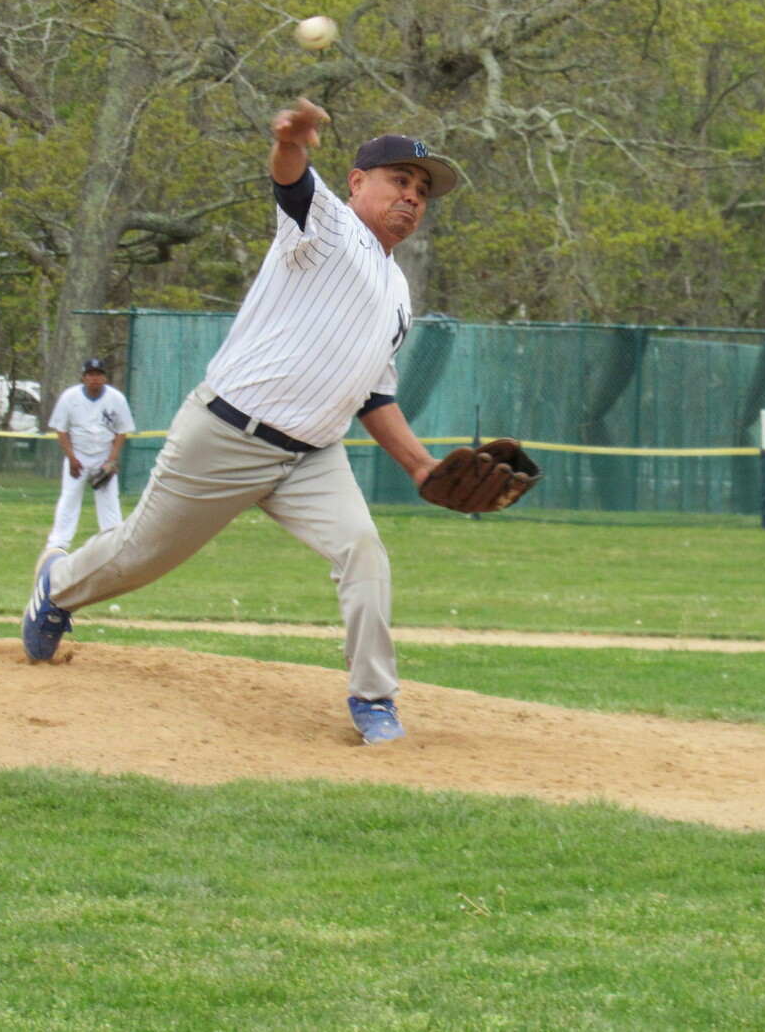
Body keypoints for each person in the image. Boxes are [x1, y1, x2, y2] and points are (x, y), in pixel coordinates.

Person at [22, 98, 455, 745]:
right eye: (401, 180)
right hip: (225, 435)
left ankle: (374, 700)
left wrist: (422, 465)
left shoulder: (398, 294)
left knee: (363, 551)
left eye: (423, 190)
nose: (413, 197)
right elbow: (291, 182)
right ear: (359, 182)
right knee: (139, 555)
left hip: (311, 456)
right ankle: (55, 585)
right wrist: (290, 143)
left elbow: (373, 393)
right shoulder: (328, 226)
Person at [42, 358, 136, 554]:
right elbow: (61, 430)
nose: (95, 378)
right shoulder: (70, 397)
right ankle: (58, 544)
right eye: (91, 374)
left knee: (109, 500)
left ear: (105, 378)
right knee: (69, 498)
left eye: (99, 374)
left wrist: (111, 460)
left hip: (103, 454)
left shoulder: (116, 398)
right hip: (77, 453)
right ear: (84, 378)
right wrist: (72, 458)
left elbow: (121, 431)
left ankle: (113, 543)